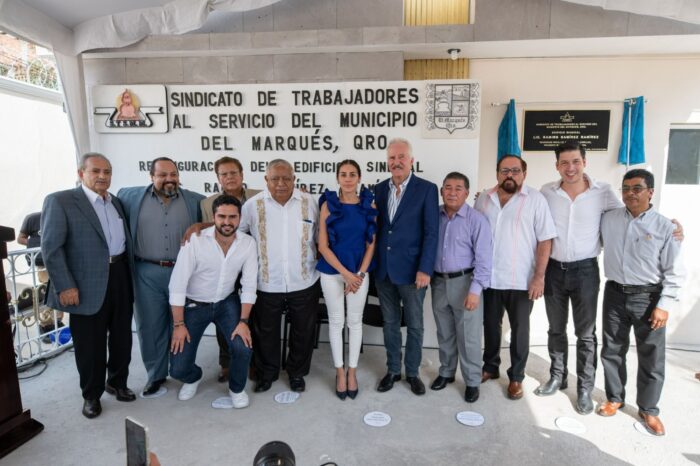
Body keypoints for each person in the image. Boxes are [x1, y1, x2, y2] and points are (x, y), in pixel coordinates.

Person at [41, 153, 134, 418]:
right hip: (83, 284)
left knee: (122, 337)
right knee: (89, 344)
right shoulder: (61, 201)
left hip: (119, 275)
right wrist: (65, 285)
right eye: (96, 171)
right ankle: (91, 395)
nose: (102, 176)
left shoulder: (114, 202)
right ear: (81, 173)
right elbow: (51, 248)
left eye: (107, 171)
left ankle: (117, 383)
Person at [536, 140, 623, 413]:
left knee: (585, 334)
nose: (570, 168)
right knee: (556, 329)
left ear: (584, 162)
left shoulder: (604, 192)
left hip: (586, 271)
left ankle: (584, 388)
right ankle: (557, 377)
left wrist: (669, 226)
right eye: (564, 163)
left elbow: (626, 217)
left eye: (575, 161)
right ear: (557, 166)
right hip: (553, 270)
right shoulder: (547, 192)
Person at [597, 169, 684, 436]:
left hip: (649, 297)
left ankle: (649, 409)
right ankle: (615, 397)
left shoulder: (665, 227)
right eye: (625, 188)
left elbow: (675, 270)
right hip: (614, 293)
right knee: (612, 349)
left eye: (637, 188)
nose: (630, 193)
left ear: (650, 192)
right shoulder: (608, 219)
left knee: (651, 356)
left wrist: (665, 304)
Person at [118, 157, 204, 398]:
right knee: (150, 325)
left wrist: (201, 225)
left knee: (182, 324)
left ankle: (182, 369)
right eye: (163, 175)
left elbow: (221, 218)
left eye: (173, 174)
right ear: (151, 176)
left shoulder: (195, 200)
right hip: (147, 271)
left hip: (184, 272)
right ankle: (155, 375)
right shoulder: (128, 198)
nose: (169, 179)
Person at [475, 155, 557, 400]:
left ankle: (516, 377)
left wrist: (539, 277)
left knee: (520, 330)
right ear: (497, 173)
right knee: (490, 325)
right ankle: (490, 366)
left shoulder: (536, 200)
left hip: (522, 279)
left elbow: (545, 239)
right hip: (490, 278)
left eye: (515, 170)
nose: (509, 175)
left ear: (524, 173)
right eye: (504, 170)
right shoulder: (483, 199)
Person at [239, 159, 320, 393]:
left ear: (294, 179)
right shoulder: (252, 206)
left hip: (304, 280)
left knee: (303, 332)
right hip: (266, 282)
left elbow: (319, 236)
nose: (281, 183)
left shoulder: (310, 202)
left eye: (287, 178)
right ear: (266, 180)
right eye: (275, 178)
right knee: (265, 332)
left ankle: (297, 373)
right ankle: (267, 373)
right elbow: (239, 237)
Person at [168, 195, 257, 408]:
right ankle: (193, 377)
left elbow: (249, 285)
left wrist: (243, 322)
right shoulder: (195, 240)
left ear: (239, 218)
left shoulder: (248, 244)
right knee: (178, 369)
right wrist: (178, 325)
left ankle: (236, 388)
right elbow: (177, 285)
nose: (227, 222)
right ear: (213, 217)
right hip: (194, 305)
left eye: (232, 217)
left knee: (242, 347)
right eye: (222, 216)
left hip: (227, 302)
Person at [373, 138, 439, 395]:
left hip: (414, 272)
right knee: (389, 323)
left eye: (401, 157)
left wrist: (425, 268)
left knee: (415, 324)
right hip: (384, 271)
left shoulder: (426, 189)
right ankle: (392, 370)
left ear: (411, 161)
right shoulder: (378, 189)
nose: (396, 162)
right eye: (392, 158)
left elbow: (431, 233)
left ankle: (412, 372)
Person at [316, 159, 377, 400]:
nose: (348, 178)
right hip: (333, 272)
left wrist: (359, 275)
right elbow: (323, 246)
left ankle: (353, 372)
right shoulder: (328, 205)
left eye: (353, 174)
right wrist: (346, 274)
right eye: (343, 174)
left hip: (359, 274)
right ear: (338, 177)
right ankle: (339, 372)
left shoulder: (368, 204)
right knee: (336, 322)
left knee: (355, 323)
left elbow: (371, 243)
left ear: (359, 177)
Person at [430, 172, 492, 403]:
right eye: (448, 187)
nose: (452, 192)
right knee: (445, 332)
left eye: (458, 188)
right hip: (438, 282)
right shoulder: (434, 215)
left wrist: (475, 291)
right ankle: (446, 372)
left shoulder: (476, 220)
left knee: (469, 337)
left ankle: (472, 381)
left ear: (467, 193)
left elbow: (485, 260)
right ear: (441, 190)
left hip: (465, 282)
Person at [200, 156, 260, 383]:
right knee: (224, 315)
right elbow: (208, 234)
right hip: (223, 267)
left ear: (242, 174)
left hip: (253, 264)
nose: (229, 177)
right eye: (224, 174)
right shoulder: (207, 204)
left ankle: (252, 362)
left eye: (233, 172)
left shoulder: (258, 196)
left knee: (252, 317)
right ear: (218, 178)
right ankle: (226, 363)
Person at [18, 211, 65, 338]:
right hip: (42, 262)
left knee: (59, 289)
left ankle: (56, 321)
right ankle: (46, 324)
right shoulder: (31, 218)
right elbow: (20, 238)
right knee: (49, 290)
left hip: (58, 259)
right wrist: (36, 244)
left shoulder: (57, 216)